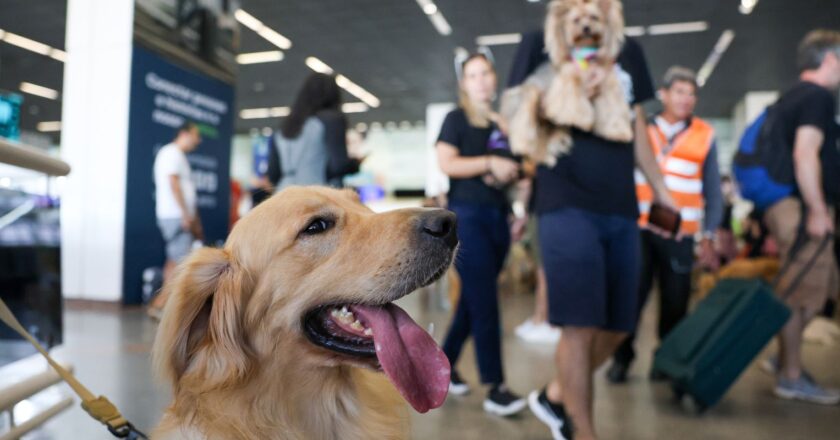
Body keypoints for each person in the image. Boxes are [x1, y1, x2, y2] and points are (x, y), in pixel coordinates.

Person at [509, 23, 677, 440]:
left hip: (621, 204)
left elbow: (637, 123)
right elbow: (513, 113)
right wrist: (569, 88)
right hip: (564, 201)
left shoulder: (627, 48)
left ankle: (555, 394)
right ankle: (583, 431)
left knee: (620, 325)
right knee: (579, 325)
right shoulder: (541, 42)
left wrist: (661, 189)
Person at [607, 66, 724, 383]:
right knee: (631, 298)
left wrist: (709, 233)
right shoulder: (641, 126)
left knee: (676, 300)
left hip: (680, 233)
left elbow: (713, 190)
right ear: (664, 94)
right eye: (680, 92)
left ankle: (665, 360)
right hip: (639, 228)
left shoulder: (704, 134)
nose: (687, 99)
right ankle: (622, 358)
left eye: (692, 93)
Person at [437, 53, 528, 417]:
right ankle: (496, 386)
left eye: (485, 73)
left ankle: (443, 366)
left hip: (499, 218)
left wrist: (512, 186)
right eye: (472, 75)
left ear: (494, 76)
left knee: (472, 303)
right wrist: (489, 163)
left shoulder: (503, 123)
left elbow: (519, 168)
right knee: (486, 301)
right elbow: (447, 163)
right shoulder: (455, 119)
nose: (481, 81)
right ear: (464, 82)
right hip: (469, 216)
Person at [760, 29, 840, 405]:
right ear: (829, 59)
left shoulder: (790, 97)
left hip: (789, 205)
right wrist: (819, 210)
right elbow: (805, 154)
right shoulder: (816, 97)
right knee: (801, 295)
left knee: (810, 289)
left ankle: (784, 359)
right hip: (801, 206)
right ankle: (791, 375)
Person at [266, 72, 361, 190]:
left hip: (284, 194)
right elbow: (338, 166)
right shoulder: (331, 119)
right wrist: (355, 165)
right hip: (317, 194)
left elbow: (273, 174)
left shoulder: (283, 128)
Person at [148, 121, 203, 318]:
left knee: (174, 261)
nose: (198, 140)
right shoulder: (171, 153)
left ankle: (160, 305)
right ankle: (161, 305)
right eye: (196, 135)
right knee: (179, 263)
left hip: (179, 216)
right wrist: (184, 214)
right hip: (175, 216)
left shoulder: (178, 156)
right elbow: (173, 184)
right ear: (184, 133)